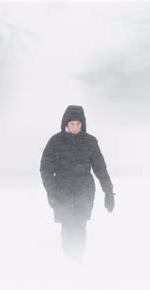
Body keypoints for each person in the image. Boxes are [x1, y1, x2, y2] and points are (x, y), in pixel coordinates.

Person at [40, 105, 115, 262]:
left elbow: (100, 168)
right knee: (67, 226)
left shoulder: (90, 142)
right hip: (62, 192)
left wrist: (108, 192)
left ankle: (77, 259)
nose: (75, 127)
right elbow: (45, 169)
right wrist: (51, 191)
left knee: (80, 226)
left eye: (78, 124)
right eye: (72, 124)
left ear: (83, 124)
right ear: (65, 124)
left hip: (84, 192)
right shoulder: (55, 142)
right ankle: (70, 260)